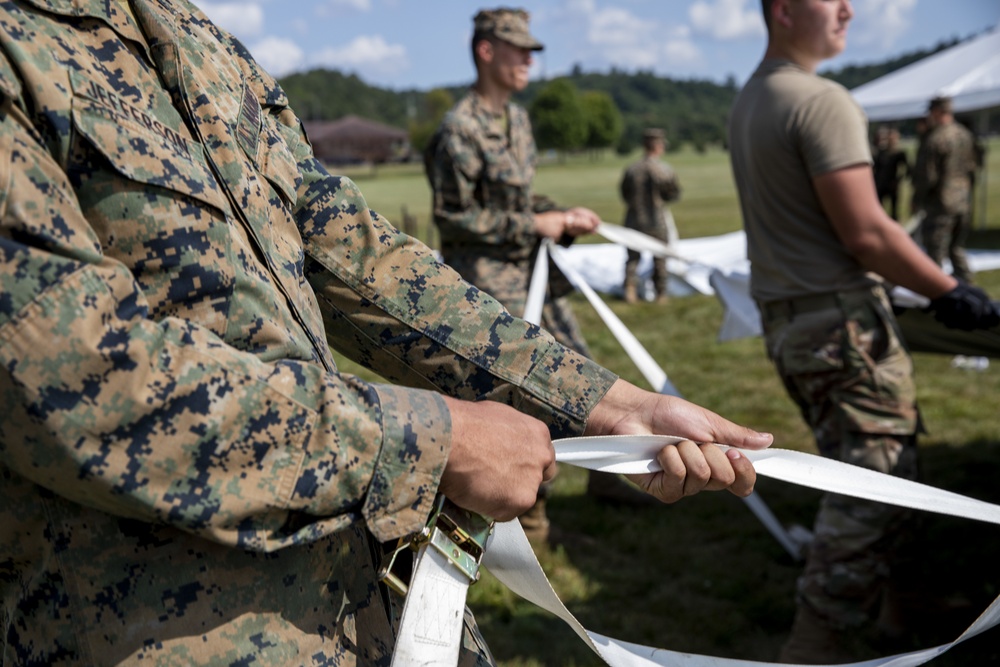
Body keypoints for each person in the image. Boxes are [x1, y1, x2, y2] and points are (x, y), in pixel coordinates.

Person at [0, 1, 774, 665]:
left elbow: (358, 254)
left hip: (366, 603)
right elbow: (77, 377)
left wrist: (605, 404)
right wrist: (432, 440)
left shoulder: (188, 34)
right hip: (155, 626)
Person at [728, 1, 1000, 663]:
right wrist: (953, 291)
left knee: (878, 475)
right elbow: (868, 231)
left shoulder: (752, 98)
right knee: (872, 490)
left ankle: (897, 610)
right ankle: (812, 648)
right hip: (840, 327)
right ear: (786, 10)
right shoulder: (821, 100)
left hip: (794, 324)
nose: (850, 8)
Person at [424, 7, 660, 541]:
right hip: (485, 283)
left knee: (582, 373)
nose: (530, 60)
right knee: (521, 392)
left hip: (533, 272)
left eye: (533, 51)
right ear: (487, 51)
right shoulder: (458, 128)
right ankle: (527, 513)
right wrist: (535, 221)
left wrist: (563, 216)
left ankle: (605, 476)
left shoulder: (519, 120)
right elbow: (452, 217)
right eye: (519, 49)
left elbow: (524, 199)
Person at [911, 96, 978, 283]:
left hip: (941, 204)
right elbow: (973, 167)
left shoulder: (935, 138)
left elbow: (927, 177)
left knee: (935, 254)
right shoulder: (964, 134)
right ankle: (969, 289)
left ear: (937, 112)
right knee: (956, 248)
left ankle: (938, 296)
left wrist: (917, 199)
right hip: (962, 201)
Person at [619, 128, 682, 304]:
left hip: (634, 218)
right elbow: (673, 194)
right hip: (656, 219)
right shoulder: (663, 169)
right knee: (660, 257)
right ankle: (661, 293)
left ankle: (629, 290)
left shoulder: (631, 169)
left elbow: (624, 194)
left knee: (632, 258)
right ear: (658, 146)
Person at [871, 126, 908, 221]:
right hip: (880, 184)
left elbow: (907, 168)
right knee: (878, 209)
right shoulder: (880, 152)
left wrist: (898, 179)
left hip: (892, 184)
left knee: (894, 210)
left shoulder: (899, 153)